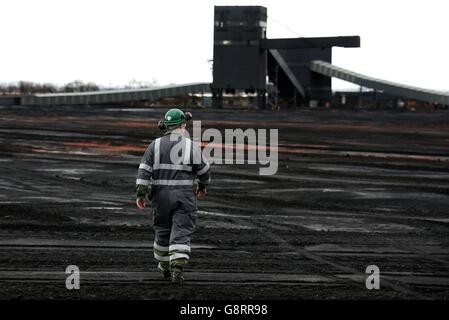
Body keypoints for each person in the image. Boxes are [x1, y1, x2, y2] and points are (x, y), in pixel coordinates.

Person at [135, 108, 210, 284]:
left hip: (160, 198)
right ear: (183, 125)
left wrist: (141, 193)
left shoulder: (155, 145)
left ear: (166, 126)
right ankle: (177, 268)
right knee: (181, 231)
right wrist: (203, 186)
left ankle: (164, 266)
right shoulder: (191, 146)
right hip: (184, 198)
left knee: (162, 232)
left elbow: (144, 171)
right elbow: (204, 170)